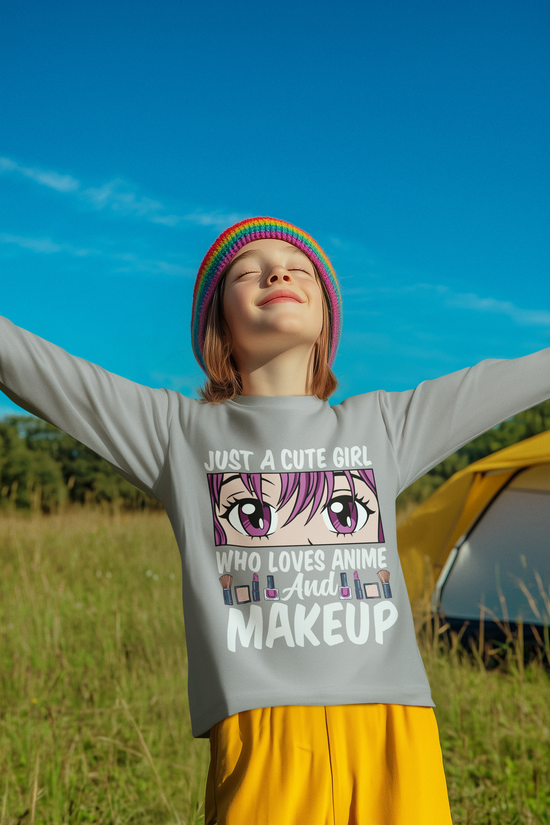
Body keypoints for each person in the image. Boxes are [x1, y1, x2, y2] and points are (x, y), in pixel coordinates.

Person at [1, 216, 549, 825]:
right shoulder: (177, 433)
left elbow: (512, 378)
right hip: (262, 735)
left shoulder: (384, 426)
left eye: (300, 269)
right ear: (218, 323)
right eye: (247, 270)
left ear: (325, 322)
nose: (278, 272)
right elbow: (31, 366)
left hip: (396, 729)